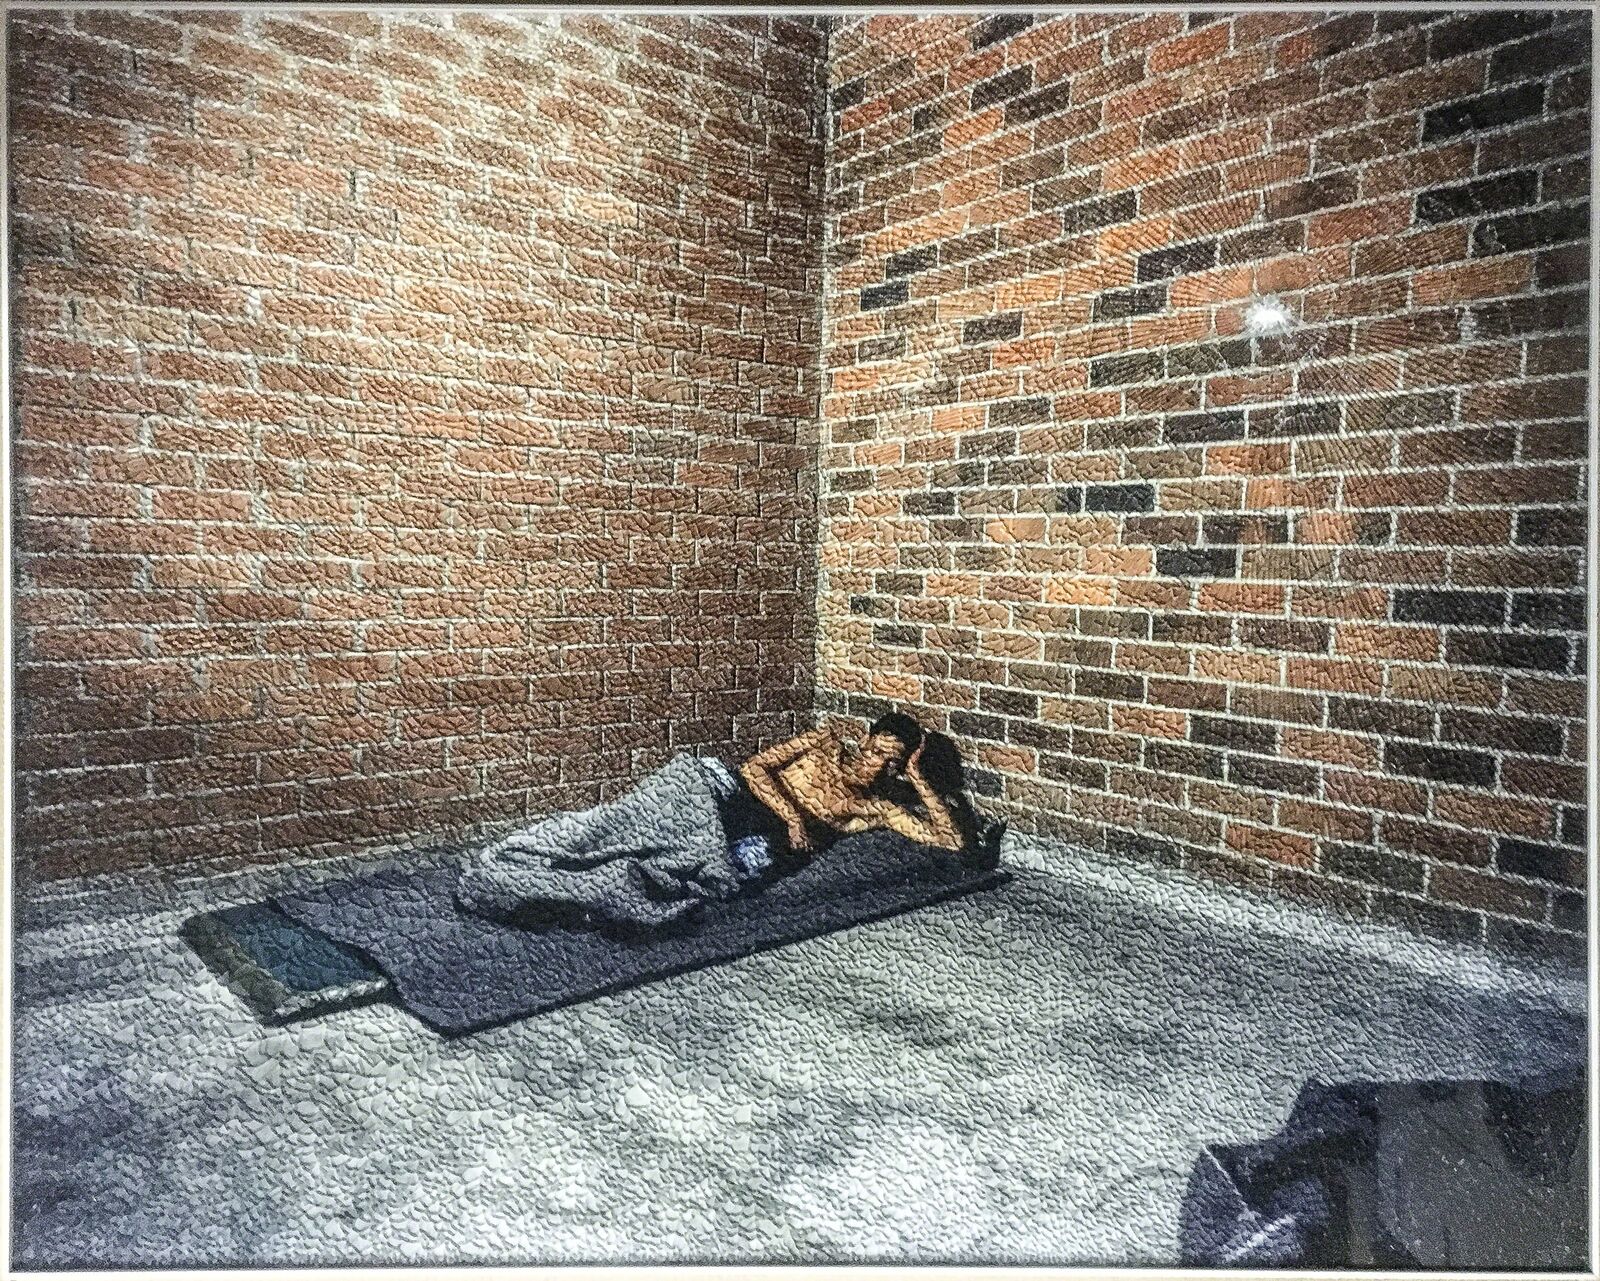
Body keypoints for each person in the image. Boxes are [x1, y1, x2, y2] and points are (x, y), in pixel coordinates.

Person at [704, 711, 1005, 880]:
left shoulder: (874, 807)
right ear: (865, 741)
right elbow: (753, 768)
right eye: (877, 752)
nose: (879, 767)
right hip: (732, 794)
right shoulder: (822, 742)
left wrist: (917, 776)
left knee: (734, 861)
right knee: (697, 780)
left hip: (759, 833)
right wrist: (794, 818)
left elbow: (951, 840)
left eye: (892, 763)